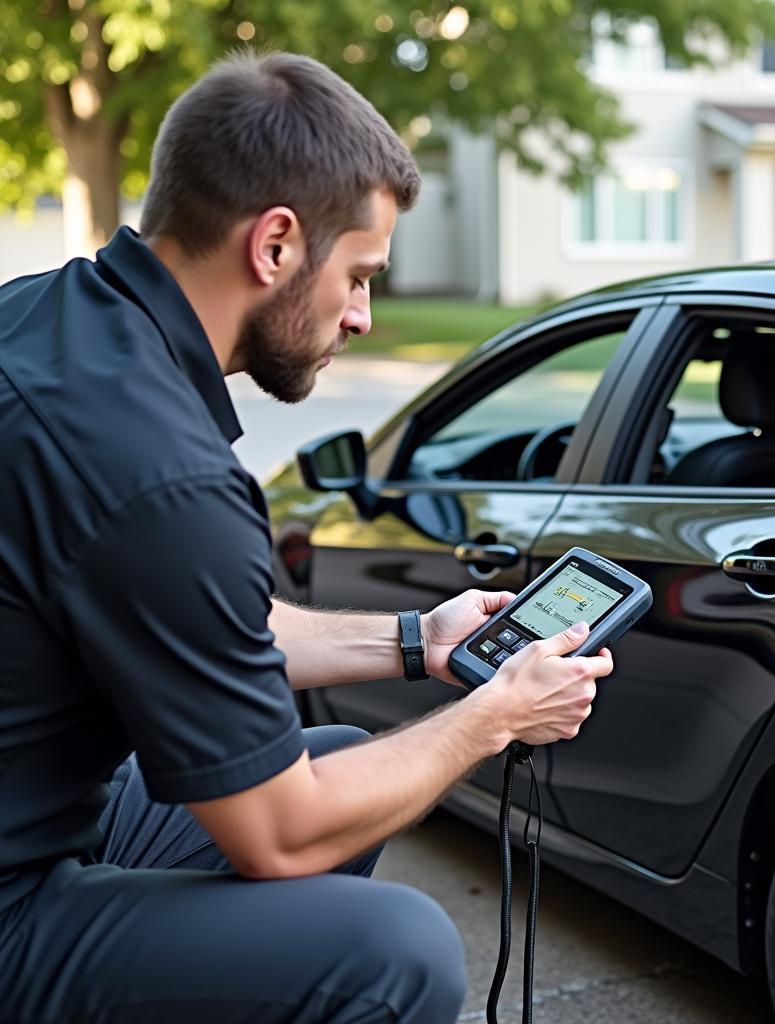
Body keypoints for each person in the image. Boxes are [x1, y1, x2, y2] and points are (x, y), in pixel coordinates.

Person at [0, 51, 613, 1023]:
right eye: (360, 274)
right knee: (395, 951)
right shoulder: (161, 474)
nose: (364, 315)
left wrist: (418, 641)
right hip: (12, 902)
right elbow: (276, 836)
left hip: (37, 800)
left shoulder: (50, 316)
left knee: (325, 747)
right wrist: (494, 715)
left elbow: (200, 615)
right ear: (275, 244)